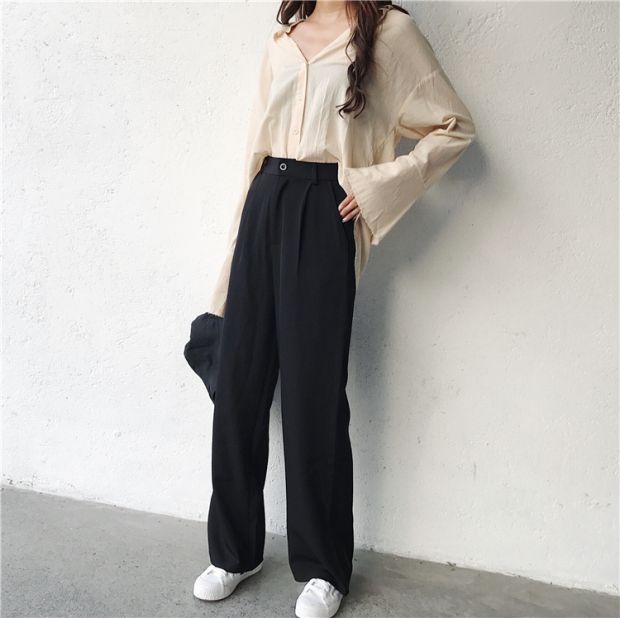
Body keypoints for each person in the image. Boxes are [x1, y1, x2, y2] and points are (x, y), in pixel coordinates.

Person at [190, 2, 476, 617]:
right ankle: (233, 551)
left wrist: (374, 186)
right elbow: (253, 155)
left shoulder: (389, 32)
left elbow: (453, 127)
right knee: (238, 387)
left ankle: (324, 567)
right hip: (265, 201)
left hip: (326, 209)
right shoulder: (283, 38)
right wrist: (228, 274)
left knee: (313, 394)